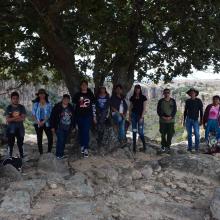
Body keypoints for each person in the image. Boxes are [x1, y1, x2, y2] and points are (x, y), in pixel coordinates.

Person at [72, 80, 96, 158]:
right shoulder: (77, 94)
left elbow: (93, 106)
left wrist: (94, 116)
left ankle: (86, 148)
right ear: (80, 86)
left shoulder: (90, 94)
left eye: (85, 85)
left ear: (87, 85)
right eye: (82, 85)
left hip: (88, 116)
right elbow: (74, 105)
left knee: (86, 131)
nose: (84, 86)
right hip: (79, 116)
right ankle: (82, 145)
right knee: (81, 131)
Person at [50, 94, 75, 159]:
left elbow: (74, 117)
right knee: (60, 140)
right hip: (59, 126)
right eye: (65, 99)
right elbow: (52, 117)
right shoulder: (57, 106)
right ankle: (58, 155)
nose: (66, 100)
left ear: (69, 100)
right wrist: (52, 127)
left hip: (68, 127)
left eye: (67, 99)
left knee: (64, 141)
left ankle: (61, 154)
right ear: (62, 99)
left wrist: (73, 126)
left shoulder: (71, 107)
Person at [5, 91, 26, 158]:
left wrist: (12, 118)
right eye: (14, 98)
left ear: (18, 99)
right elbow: (8, 120)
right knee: (10, 144)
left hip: (20, 129)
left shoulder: (21, 107)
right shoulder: (8, 108)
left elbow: (23, 119)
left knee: (20, 144)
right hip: (11, 129)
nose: (15, 100)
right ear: (11, 99)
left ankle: (22, 157)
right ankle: (9, 157)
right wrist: (18, 117)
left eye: (17, 98)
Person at [32, 89, 53, 155]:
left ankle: (49, 152)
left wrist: (43, 122)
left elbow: (49, 114)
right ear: (38, 95)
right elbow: (33, 114)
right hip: (37, 122)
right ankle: (41, 153)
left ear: (45, 95)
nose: (41, 95)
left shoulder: (49, 104)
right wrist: (38, 122)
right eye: (40, 94)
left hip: (46, 122)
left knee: (50, 137)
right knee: (39, 138)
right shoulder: (35, 104)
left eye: (43, 94)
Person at [183, 88, 203, 153]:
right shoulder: (188, 101)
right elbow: (185, 111)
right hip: (188, 119)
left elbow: (201, 111)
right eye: (191, 93)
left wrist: (201, 120)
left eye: (193, 93)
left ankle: (196, 148)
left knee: (197, 134)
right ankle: (190, 148)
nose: (192, 94)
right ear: (189, 94)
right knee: (189, 134)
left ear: (195, 93)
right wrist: (184, 120)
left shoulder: (199, 101)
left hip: (195, 120)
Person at [157, 88, 177, 153]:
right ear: (163, 93)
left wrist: (171, 117)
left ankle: (168, 146)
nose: (166, 94)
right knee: (162, 133)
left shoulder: (173, 101)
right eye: (165, 92)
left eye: (168, 92)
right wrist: (163, 117)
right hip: (162, 121)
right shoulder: (161, 101)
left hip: (171, 121)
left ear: (169, 93)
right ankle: (163, 145)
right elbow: (158, 110)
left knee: (170, 134)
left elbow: (174, 110)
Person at [129, 84, 147, 153]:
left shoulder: (143, 97)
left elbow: (144, 108)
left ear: (140, 89)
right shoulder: (132, 97)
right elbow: (130, 108)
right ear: (134, 89)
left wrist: (142, 117)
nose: (137, 90)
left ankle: (144, 145)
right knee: (134, 131)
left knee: (140, 132)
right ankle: (134, 147)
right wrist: (129, 117)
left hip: (140, 116)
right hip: (133, 116)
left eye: (138, 89)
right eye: (136, 89)